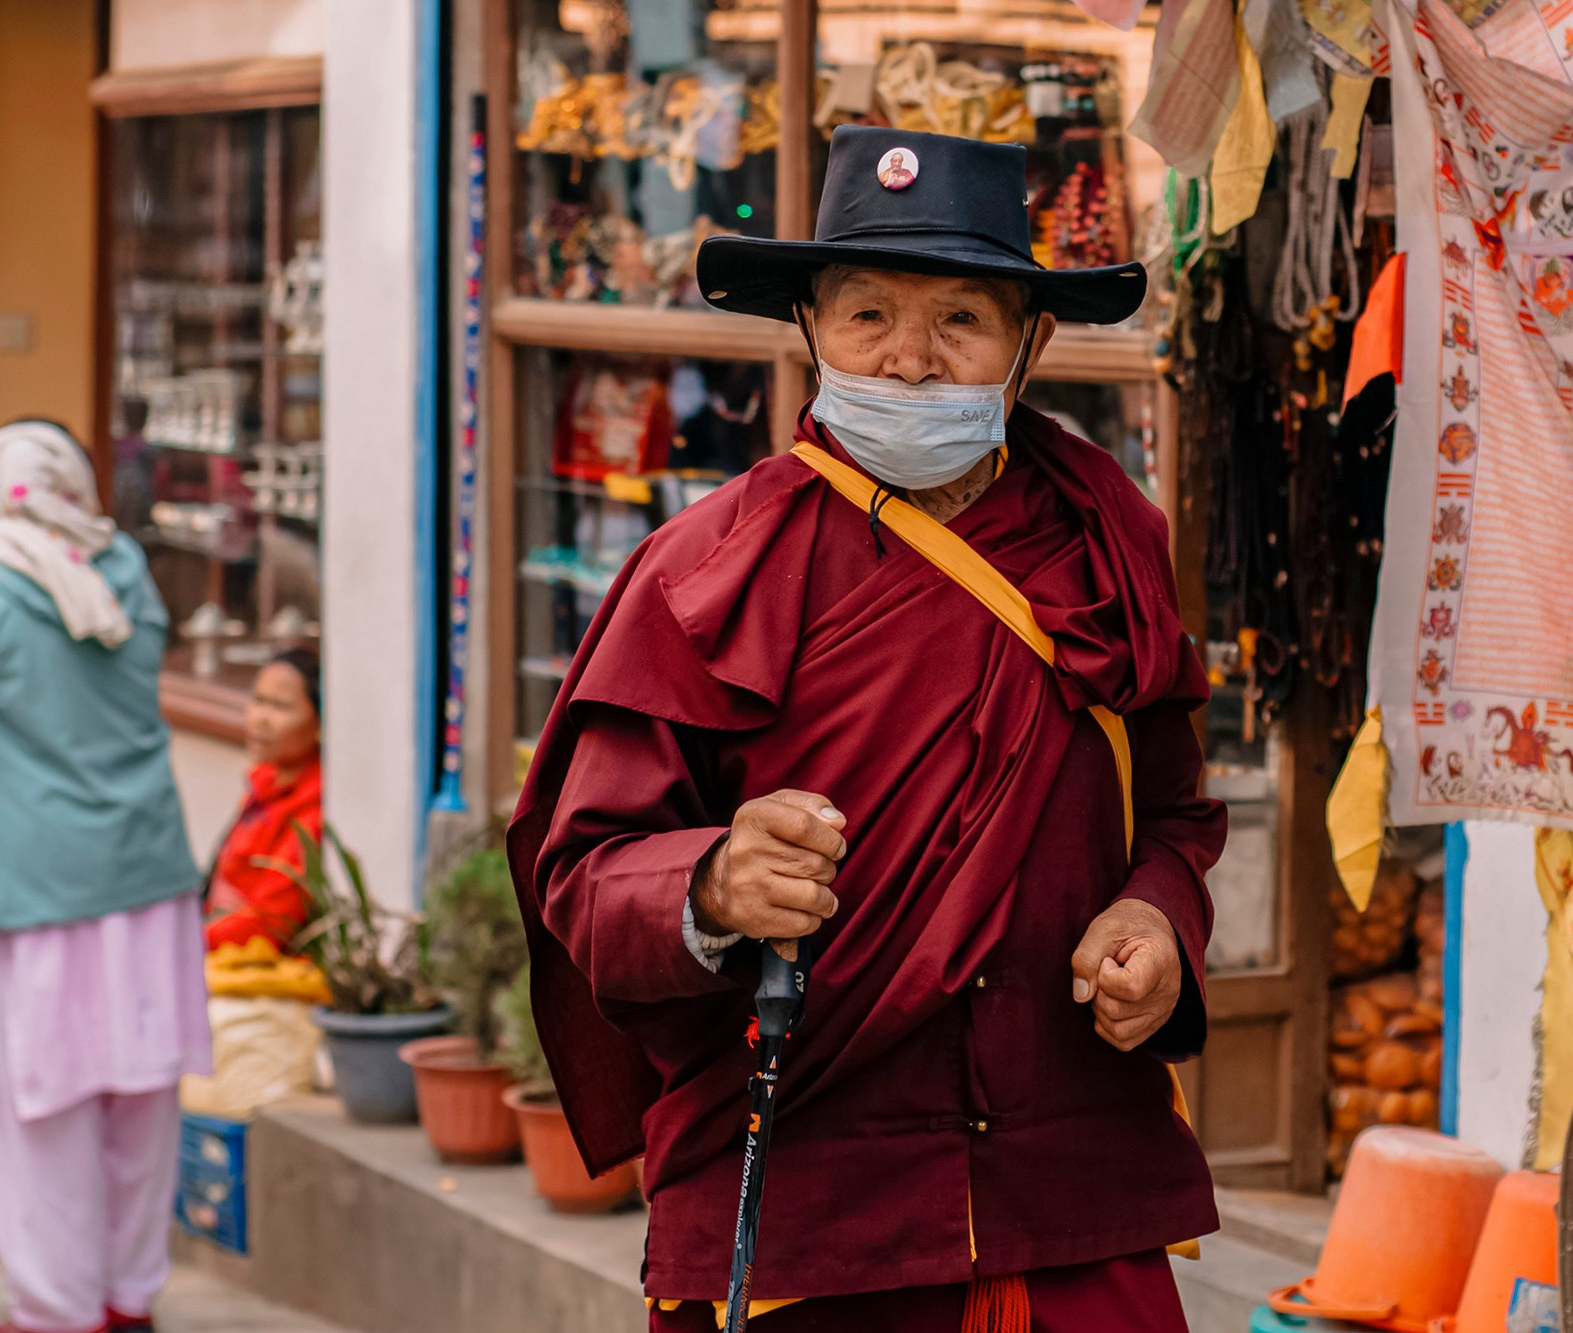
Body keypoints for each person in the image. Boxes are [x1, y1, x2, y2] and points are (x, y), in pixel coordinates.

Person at [509, 126, 1225, 1333]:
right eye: (867, 317)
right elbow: (582, 874)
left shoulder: (1105, 542)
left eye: (959, 320)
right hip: (811, 1204)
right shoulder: (703, 576)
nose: (908, 361)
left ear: (1027, 343)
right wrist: (711, 881)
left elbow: (1173, 810)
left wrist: (1157, 914)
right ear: (808, 333)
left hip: (1067, 1191)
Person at [0, 420, 210, 1333]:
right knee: (139, 1110)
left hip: (29, 897)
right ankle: (126, 1300)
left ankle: (55, 1312)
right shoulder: (125, 570)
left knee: (37, 1121)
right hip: (147, 884)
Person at [204, 648, 323, 952]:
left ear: (321, 723)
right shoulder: (264, 783)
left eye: (281, 707)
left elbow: (273, 921)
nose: (261, 719)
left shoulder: (315, 808)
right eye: (258, 701)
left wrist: (186, 942)